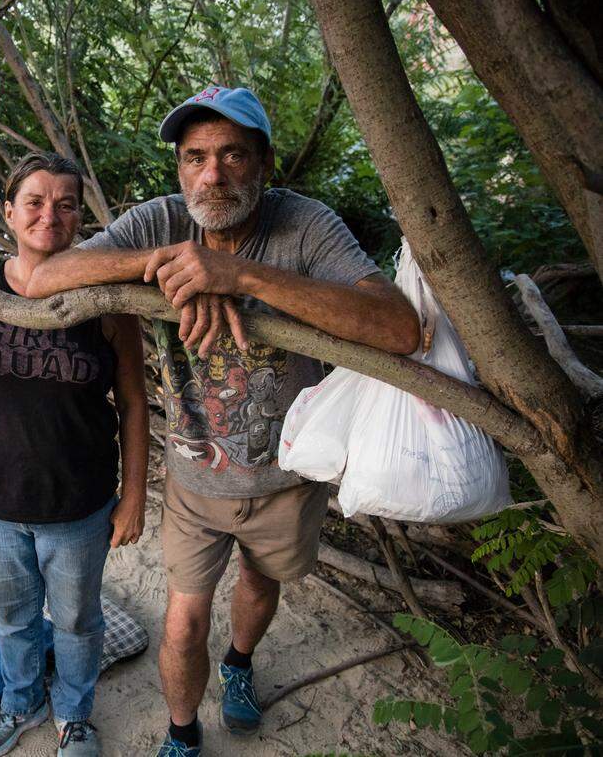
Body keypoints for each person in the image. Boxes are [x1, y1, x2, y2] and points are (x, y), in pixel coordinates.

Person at [24, 86, 421, 756]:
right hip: (194, 480)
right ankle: (182, 731)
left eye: (233, 154)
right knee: (182, 621)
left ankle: (239, 662)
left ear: (264, 163)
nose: (212, 173)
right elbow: (40, 280)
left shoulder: (304, 225)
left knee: (261, 588)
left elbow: (397, 326)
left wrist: (238, 275)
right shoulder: (160, 222)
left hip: (287, 477)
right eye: (196, 156)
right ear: (180, 169)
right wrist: (164, 265)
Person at [0, 152, 149, 757]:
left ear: (80, 217)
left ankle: (74, 713)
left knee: (78, 620)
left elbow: (134, 403)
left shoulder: (106, 299)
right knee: (13, 615)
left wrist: (132, 496)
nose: (48, 215)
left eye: (65, 204)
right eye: (34, 201)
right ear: (9, 212)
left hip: (79, 501)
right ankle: (21, 698)